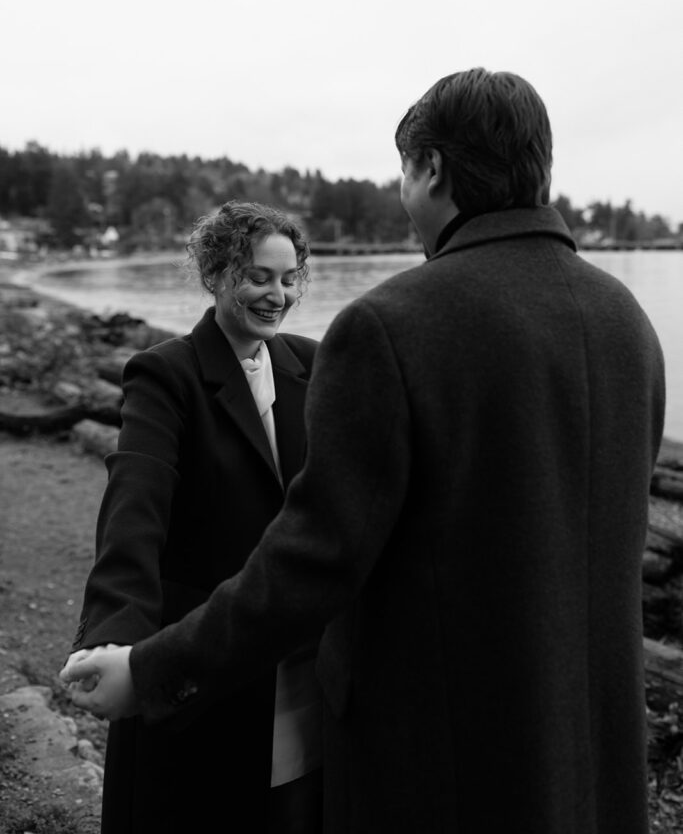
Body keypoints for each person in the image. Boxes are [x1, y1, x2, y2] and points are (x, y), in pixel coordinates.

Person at [63, 69, 665, 834]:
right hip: (592, 762)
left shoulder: (391, 326)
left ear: (431, 169)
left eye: (404, 174)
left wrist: (150, 671)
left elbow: (318, 556)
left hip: (441, 765)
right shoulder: (628, 324)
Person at [63, 201, 321, 833]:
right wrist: (114, 634)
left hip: (300, 667)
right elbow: (136, 503)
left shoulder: (315, 364)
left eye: (289, 279)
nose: (277, 294)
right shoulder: (165, 373)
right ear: (216, 273)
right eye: (259, 276)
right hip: (200, 664)